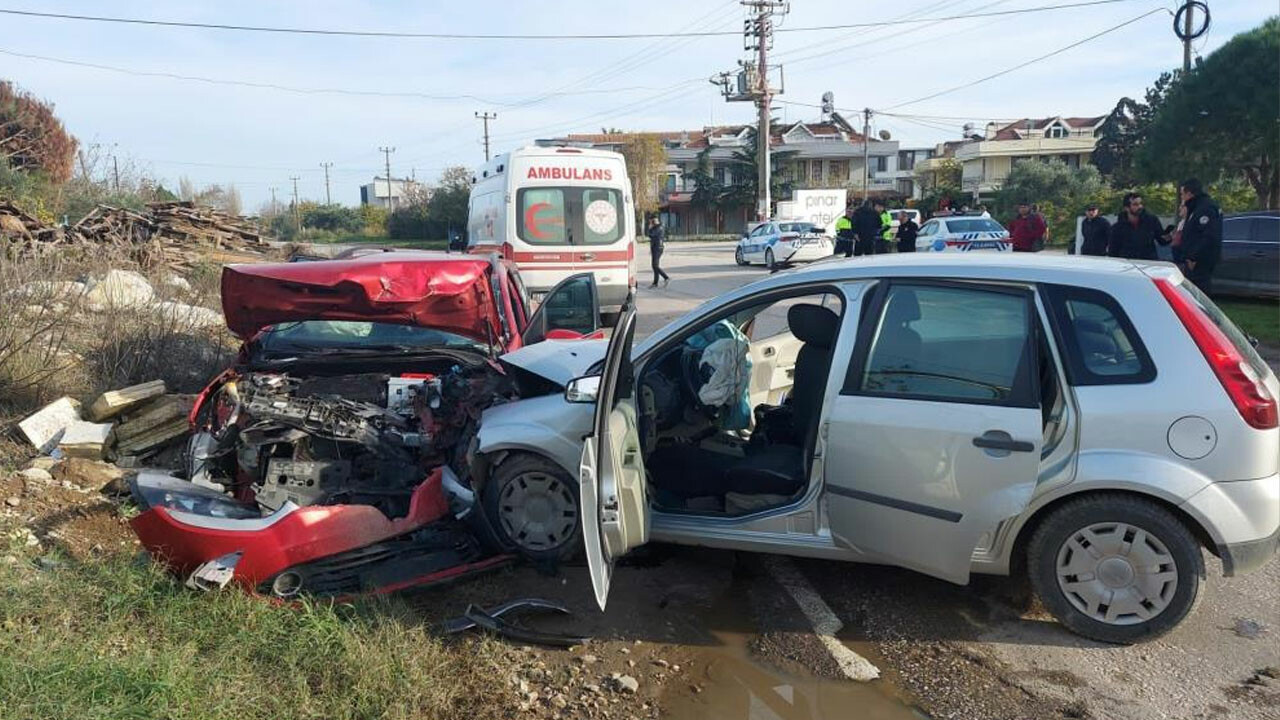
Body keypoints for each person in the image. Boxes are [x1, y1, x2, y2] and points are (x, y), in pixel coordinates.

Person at [1178, 178, 1222, 294]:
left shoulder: (1205, 208)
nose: (1182, 198)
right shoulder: (1195, 207)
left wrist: (1194, 257)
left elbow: (1208, 237)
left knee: (1199, 292)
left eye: (1182, 194)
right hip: (1192, 259)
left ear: (1189, 193)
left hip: (1199, 261)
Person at [1106, 192, 1166, 260]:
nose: (1140, 206)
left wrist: (1170, 234)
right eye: (1135, 204)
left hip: (1148, 264)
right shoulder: (1117, 227)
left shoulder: (1152, 221)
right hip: (1126, 264)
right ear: (1126, 208)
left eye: (1140, 203)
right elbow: (1113, 251)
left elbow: (1162, 240)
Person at [646, 217, 669, 287]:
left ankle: (666, 277)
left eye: (653, 221)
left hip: (658, 248)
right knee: (655, 266)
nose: (652, 223)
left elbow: (651, 235)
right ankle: (655, 283)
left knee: (655, 266)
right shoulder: (656, 227)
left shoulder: (659, 228)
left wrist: (650, 228)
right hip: (656, 247)